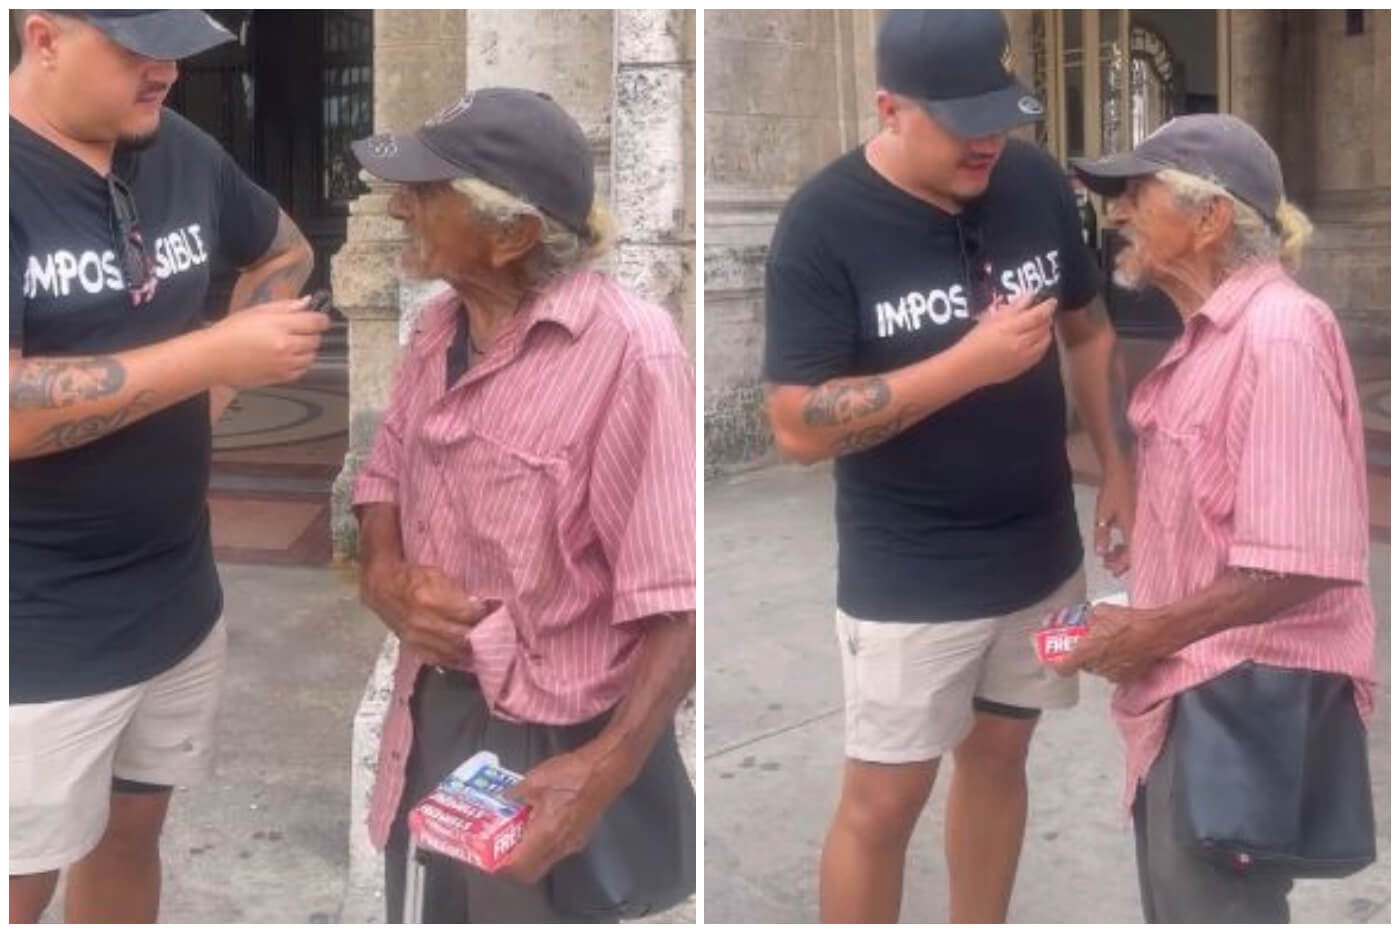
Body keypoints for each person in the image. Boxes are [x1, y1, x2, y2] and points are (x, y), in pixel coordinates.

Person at [762, 10, 1132, 924]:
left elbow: (1087, 331)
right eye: (963, 119)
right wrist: (971, 363)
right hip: (909, 571)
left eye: (1001, 114)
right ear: (890, 108)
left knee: (1003, 758)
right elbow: (796, 427)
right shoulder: (823, 223)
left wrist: (1119, 467)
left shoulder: (1035, 182)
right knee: (884, 803)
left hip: (1041, 551)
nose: (988, 139)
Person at [9, 9, 329, 924]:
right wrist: (212, 360)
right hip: (35, 632)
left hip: (178, 600)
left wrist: (208, 399)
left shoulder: (179, 149)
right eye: (136, 49)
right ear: (45, 38)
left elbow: (285, 248)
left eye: (176, 50)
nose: (166, 73)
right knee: (18, 880)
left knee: (129, 834)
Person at [350, 87, 696, 923]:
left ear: (513, 234)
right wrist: (383, 573)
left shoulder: (632, 355)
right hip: (432, 707)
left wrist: (602, 770)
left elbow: (680, 610)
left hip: (552, 741)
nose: (400, 207)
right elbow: (383, 474)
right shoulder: (439, 326)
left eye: (427, 193)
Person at [1061, 114, 1376, 922]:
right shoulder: (1215, 335)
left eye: (1137, 194)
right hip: (1192, 680)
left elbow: (1301, 559)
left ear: (1210, 219)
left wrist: (1148, 632)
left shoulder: (1279, 333)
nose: (1117, 214)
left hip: (1236, 697)